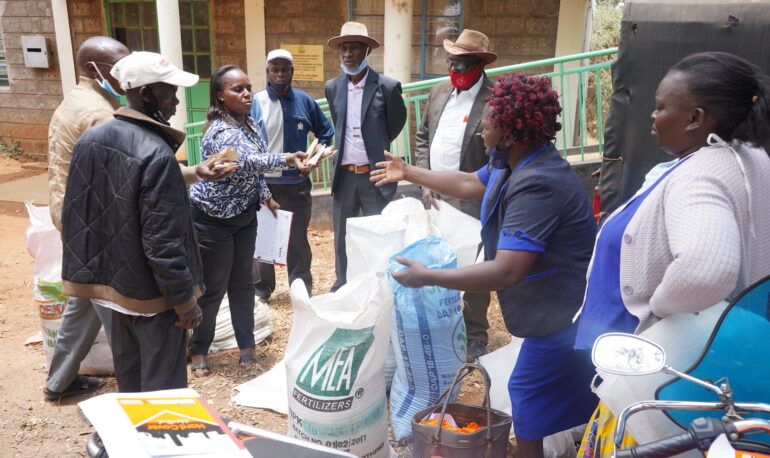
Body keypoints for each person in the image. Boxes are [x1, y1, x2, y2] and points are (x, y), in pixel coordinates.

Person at [371, 73, 599, 458]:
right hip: (550, 310)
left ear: (511, 132)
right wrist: (409, 171)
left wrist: (429, 277)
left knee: (528, 395)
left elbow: (507, 270)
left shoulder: (537, 183)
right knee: (544, 398)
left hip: (562, 315)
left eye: (489, 123)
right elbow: (466, 182)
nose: (481, 131)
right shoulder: (513, 161)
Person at [574, 52, 770, 456]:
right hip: (732, 359)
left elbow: (705, 269)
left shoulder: (702, 172)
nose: (652, 116)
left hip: (669, 374)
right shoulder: (755, 160)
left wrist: (658, 309)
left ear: (697, 118)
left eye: (662, 107)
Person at [44, 38, 231, 401]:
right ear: (146, 95)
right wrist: (184, 302)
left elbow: (83, 214)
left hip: (114, 290)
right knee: (164, 393)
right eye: (170, 93)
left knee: (130, 384)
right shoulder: (156, 154)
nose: (176, 102)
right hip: (153, 299)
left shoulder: (93, 138)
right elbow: (163, 242)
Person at [188, 65, 308, 376]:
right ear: (220, 96)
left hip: (244, 215)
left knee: (243, 282)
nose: (246, 94)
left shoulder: (251, 124)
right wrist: (285, 158)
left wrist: (265, 194)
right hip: (212, 219)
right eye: (237, 89)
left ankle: (247, 346)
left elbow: (254, 171)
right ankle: (199, 349)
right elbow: (248, 161)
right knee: (213, 288)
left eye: (248, 88)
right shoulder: (221, 131)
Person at [413, 28, 496, 361]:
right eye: (452, 63)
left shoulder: (494, 99)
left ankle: (475, 332)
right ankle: (442, 324)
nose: (456, 70)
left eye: (463, 64)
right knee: (440, 261)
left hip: (474, 198)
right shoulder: (438, 92)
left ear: (479, 64)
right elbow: (422, 138)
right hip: (435, 198)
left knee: (475, 267)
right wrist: (424, 180)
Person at [325, 21, 407, 292]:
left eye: (354, 49)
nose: (348, 54)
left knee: (377, 235)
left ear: (365, 51)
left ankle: (378, 288)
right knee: (342, 237)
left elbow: (394, 123)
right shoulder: (333, 87)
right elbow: (340, 122)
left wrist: (375, 144)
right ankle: (344, 286)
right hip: (345, 174)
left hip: (375, 174)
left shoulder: (387, 86)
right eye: (344, 49)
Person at [252, 49, 334, 300]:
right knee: (264, 237)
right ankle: (261, 290)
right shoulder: (255, 102)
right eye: (274, 69)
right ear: (267, 71)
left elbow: (325, 131)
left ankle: (300, 288)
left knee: (297, 238)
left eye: (284, 69)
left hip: (296, 184)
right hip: (265, 184)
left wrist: (315, 157)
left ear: (291, 72)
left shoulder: (304, 101)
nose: (279, 74)